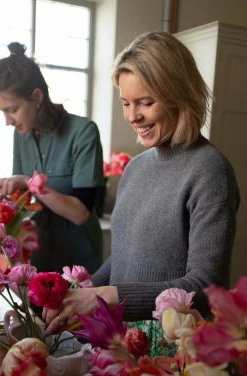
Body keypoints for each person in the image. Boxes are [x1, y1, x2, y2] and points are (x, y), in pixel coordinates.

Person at [44, 31, 240, 349]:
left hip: (172, 351)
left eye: (146, 103)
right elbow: (123, 260)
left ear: (179, 94)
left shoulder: (210, 170)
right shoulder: (135, 168)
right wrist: (79, 293)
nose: (133, 116)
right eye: (126, 103)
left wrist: (106, 297)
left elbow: (206, 289)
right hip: (119, 340)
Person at [0, 42, 104, 274]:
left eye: (12, 109)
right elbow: (23, 199)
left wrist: (28, 182)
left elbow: (80, 213)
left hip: (80, 263)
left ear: (37, 96)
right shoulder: (21, 135)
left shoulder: (83, 132)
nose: (7, 120)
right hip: (39, 260)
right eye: (2, 112)